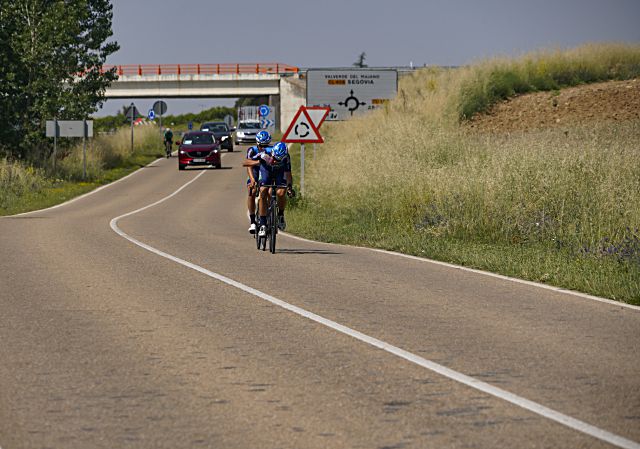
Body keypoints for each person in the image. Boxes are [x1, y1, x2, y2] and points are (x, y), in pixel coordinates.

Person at [254, 141, 293, 237]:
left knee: (281, 192)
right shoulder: (265, 152)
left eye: (279, 160)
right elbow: (250, 162)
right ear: (272, 153)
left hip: (279, 172)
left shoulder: (287, 157)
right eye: (275, 158)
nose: (276, 161)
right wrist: (254, 180)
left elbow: (288, 173)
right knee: (263, 191)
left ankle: (280, 215)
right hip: (266, 171)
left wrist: (289, 187)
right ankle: (263, 224)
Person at [245, 130, 272, 234]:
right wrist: (252, 180)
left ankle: (269, 211)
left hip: (266, 171)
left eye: (266, 145)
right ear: (257, 143)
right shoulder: (252, 150)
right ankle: (252, 222)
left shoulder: (271, 150)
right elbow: (248, 166)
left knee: (269, 191)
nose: (263, 148)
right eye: (261, 145)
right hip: (255, 171)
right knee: (251, 191)